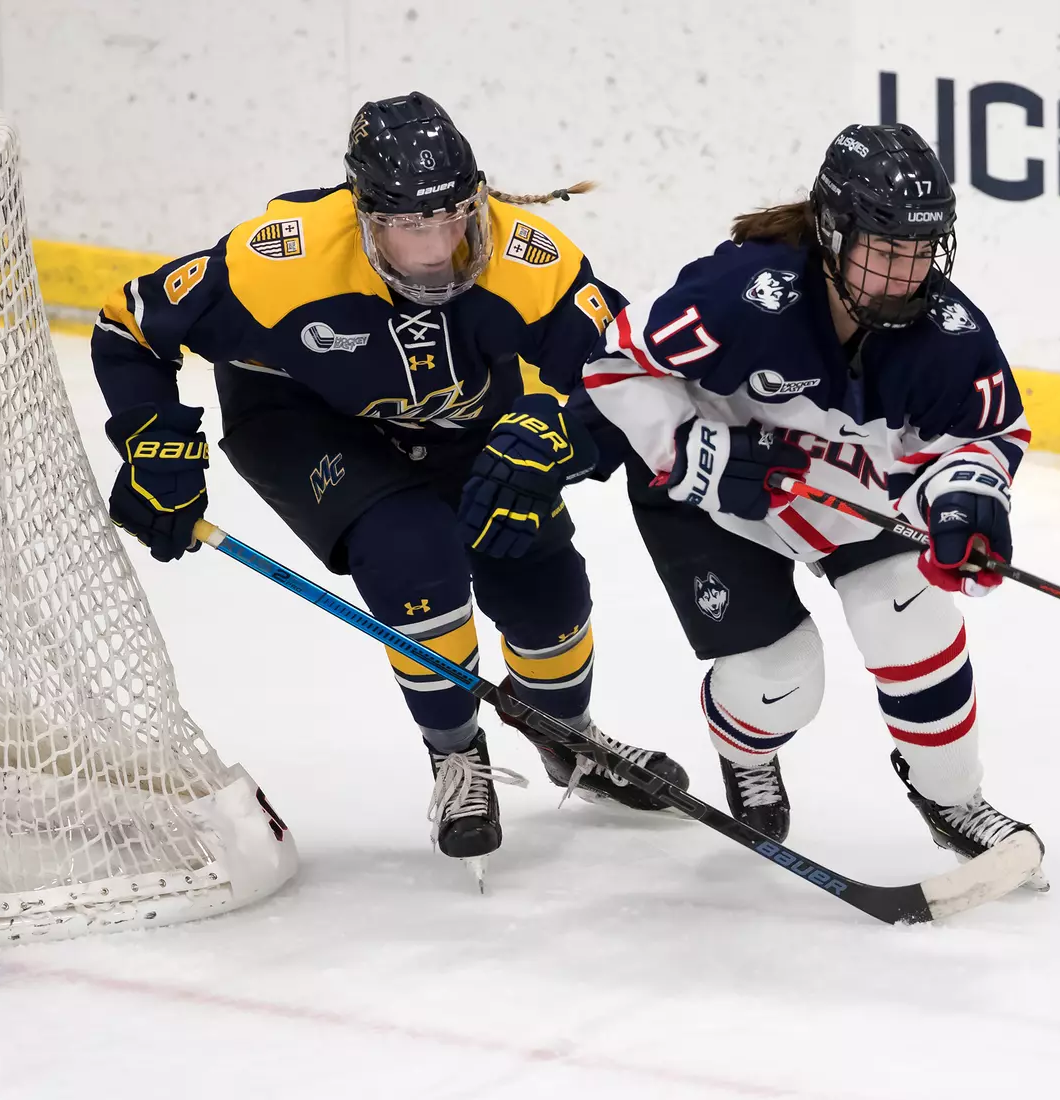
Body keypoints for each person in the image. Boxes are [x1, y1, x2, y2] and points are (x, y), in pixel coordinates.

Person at [89, 91, 688, 875]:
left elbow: (626, 369)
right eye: (411, 226)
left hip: (467, 418)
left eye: (454, 217)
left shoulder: (527, 257)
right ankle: (455, 757)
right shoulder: (281, 261)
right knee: (414, 554)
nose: (440, 246)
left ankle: (564, 733)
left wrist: (556, 436)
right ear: (364, 214)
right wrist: (152, 439)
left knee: (541, 579)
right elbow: (129, 324)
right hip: (308, 421)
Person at [581, 122, 1045, 885]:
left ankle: (953, 800)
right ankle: (746, 748)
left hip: (840, 493)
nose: (905, 276)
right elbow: (615, 363)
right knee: (784, 680)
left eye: (921, 253)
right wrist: (694, 453)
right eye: (885, 252)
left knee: (913, 613)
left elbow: (986, 436)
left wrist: (964, 502)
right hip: (715, 497)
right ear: (833, 232)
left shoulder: (948, 332)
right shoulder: (740, 296)